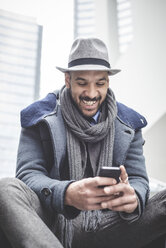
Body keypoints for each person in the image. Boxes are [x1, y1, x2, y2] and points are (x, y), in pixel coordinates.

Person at [0, 37, 165, 248]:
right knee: (5, 189)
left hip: (111, 224)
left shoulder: (130, 123)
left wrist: (133, 197)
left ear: (108, 82)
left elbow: (139, 179)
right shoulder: (40, 117)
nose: (91, 93)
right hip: (53, 223)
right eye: (82, 83)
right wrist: (67, 193)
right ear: (67, 80)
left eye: (100, 83)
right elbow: (27, 176)